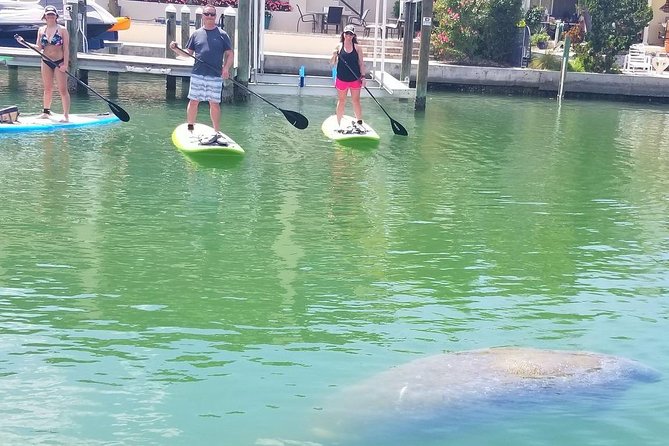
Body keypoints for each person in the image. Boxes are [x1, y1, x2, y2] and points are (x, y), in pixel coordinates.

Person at [169, 4, 233, 136]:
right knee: (193, 102)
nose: (210, 16)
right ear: (203, 16)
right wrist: (175, 49)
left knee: (214, 104)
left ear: (215, 16)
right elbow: (187, 53)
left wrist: (226, 68)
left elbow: (230, 54)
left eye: (212, 14)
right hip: (198, 74)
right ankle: (190, 128)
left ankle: (216, 131)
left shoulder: (222, 35)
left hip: (215, 75)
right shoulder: (197, 34)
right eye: (207, 14)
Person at [24, 5, 71, 122]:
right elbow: (39, 47)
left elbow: (66, 49)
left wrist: (65, 64)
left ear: (56, 16)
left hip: (59, 62)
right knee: (47, 88)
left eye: (52, 14)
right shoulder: (41, 30)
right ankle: (46, 112)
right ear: (45, 16)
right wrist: (24, 43)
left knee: (62, 89)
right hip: (45, 61)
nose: (50, 16)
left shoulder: (62, 30)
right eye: (48, 14)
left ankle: (66, 115)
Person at [330, 24, 366, 130]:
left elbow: (361, 63)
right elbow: (332, 62)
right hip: (342, 78)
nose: (349, 36)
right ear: (343, 34)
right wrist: (334, 55)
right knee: (342, 100)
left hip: (355, 78)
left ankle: (359, 122)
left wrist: (363, 77)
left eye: (351, 34)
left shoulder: (358, 48)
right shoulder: (339, 46)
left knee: (356, 100)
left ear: (354, 36)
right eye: (347, 34)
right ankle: (338, 123)